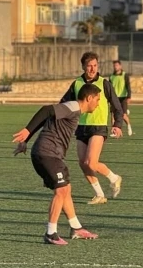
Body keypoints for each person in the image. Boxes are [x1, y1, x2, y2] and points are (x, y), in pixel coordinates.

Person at [12, 84, 101, 245]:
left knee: (66, 189)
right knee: (61, 191)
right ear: (89, 98)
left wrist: (26, 139)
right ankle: (50, 233)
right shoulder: (73, 107)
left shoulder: (74, 110)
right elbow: (46, 110)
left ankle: (76, 228)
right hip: (47, 153)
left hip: (51, 154)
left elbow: (47, 118)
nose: (98, 103)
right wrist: (27, 130)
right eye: (97, 99)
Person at [61, 52, 124, 204]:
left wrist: (117, 125)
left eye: (95, 65)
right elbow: (64, 104)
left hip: (98, 127)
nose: (92, 69)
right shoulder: (76, 84)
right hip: (81, 127)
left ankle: (114, 178)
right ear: (83, 67)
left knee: (91, 163)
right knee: (83, 163)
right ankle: (100, 195)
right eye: (89, 66)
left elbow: (117, 106)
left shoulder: (104, 84)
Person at [110, 59, 133, 137]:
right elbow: (109, 88)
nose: (115, 67)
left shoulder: (124, 75)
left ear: (120, 66)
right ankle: (114, 132)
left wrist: (129, 96)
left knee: (123, 115)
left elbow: (128, 86)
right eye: (114, 66)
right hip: (114, 98)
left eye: (117, 65)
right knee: (113, 115)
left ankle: (129, 125)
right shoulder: (111, 76)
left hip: (123, 97)